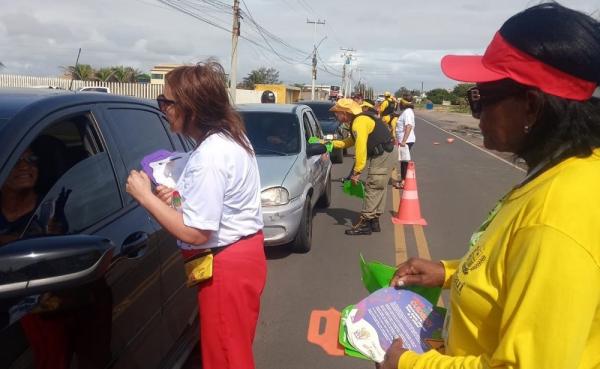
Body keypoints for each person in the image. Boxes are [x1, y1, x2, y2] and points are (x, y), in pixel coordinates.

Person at [380, 3, 600, 369]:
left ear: (530, 106)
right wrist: (450, 272)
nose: (475, 114)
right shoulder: (564, 173)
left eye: (481, 99)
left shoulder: (555, 216)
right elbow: (517, 269)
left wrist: (407, 365)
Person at [126, 61, 266, 369]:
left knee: (226, 359)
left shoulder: (210, 156)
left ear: (190, 107)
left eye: (166, 101)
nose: (162, 107)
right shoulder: (230, 138)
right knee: (231, 350)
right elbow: (219, 205)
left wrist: (145, 197)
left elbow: (197, 233)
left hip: (225, 265)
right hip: (239, 255)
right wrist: (176, 200)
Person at [331, 98, 395, 235]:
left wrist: (357, 171)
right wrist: (331, 144)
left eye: (337, 112)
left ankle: (365, 223)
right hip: (388, 153)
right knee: (379, 188)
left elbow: (360, 149)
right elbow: (349, 141)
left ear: (345, 112)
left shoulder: (359, 123)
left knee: (373, 187)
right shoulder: (359, 120)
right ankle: (374, 222)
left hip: (382, 154)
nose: (336, 115)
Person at [393, 96, 416, 189]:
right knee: (403, 161)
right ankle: (403, 179)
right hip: (404, 140)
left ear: (404, 104)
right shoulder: (406, 112)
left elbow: (409, 126)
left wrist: (403, 141)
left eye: (400, 103)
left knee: (404, 162)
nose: (399, 104)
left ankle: (403, 182)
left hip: (406, 141)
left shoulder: (407, 112)